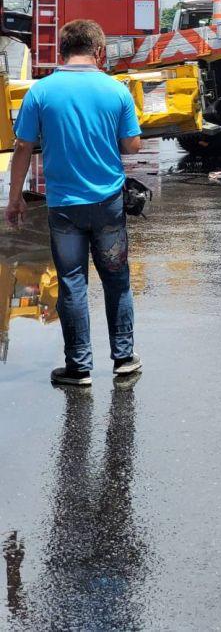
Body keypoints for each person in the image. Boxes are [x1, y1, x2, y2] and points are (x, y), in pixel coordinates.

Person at [5, 19, 143, 387]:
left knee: (72, 283)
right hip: (109, 203)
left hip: (64, 206)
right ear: (99, 51)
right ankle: (124, 359)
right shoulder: (116, 91)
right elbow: (132, 146)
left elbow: (22, 147)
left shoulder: (41, 92)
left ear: (60, 51)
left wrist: (14, 198)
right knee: (117, 280)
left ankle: (79, 368)